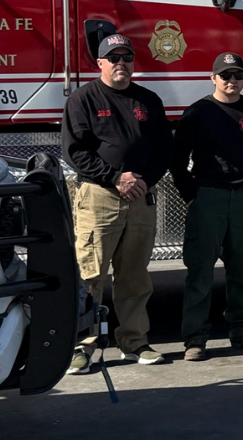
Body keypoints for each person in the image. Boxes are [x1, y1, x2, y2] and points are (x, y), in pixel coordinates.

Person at [62, 34, 173, 373]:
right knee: (89, 275)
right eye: (113, 58)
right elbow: (75, 150)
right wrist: (116, 177)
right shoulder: (83, 98)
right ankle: (82, 347)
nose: (120, 63)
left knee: (135, 275)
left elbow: (164, 149)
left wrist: (142, 181)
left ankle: (135, 342)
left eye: (126, 57)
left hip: (139, 197)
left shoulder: (148, 100)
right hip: (99, 197)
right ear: (100, 64)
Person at [170, 52, 243, 362]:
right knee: (200, 271)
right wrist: (192, 196)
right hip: (208, 197)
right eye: (225, 75)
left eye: (237, 75)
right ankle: (196, 338)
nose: (232, 81)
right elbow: (177, 161)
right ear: (213, 78)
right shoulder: (198, 113)